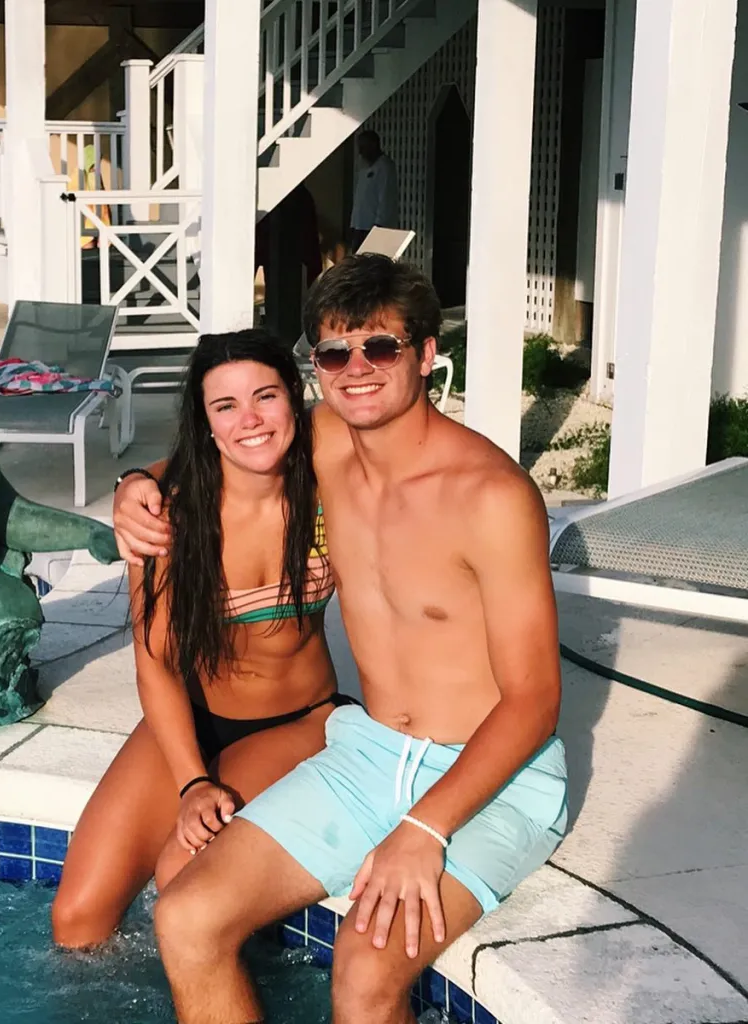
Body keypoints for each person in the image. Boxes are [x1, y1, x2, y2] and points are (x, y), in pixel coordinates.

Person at [113, 255, 568, 1023]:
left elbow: (535, 701)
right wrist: (137, 482)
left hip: (495, 777)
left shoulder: (491, 497)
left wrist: (424, 829)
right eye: (334, 353)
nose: (357, 370)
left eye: (381, 348)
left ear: (425, 354)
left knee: (362, 973)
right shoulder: (326, 444)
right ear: (316, 368)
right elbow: (222, 440)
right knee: (185, 916)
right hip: (370, 755)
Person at [51, 328, 358, 949]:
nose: (250, 419)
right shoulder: (165, 516)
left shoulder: (329, 482)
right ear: (205, 421)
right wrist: (192, 782)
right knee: (76, 921)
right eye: (226, 406)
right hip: (192, 716)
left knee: (180, 872)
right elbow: (157, 664)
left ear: (294, 401)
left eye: (266, 397)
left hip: (297, 719)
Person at [349, 130, 399, 253]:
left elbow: (386, 199)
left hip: (374, 228)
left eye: (363, 147)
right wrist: (353, 223)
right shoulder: (363, 167)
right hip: (359, 226)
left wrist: (379, 226)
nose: (360, 152)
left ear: (373, 145)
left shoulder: (385, 167)